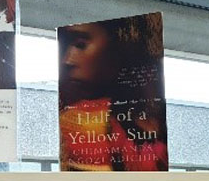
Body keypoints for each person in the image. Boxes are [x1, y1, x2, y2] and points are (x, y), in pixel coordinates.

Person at [59, 13, 167, 171]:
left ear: (120, 46)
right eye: (64, 47)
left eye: (81, 44)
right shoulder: (75, 122)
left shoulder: (153, 119)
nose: (67, 61)